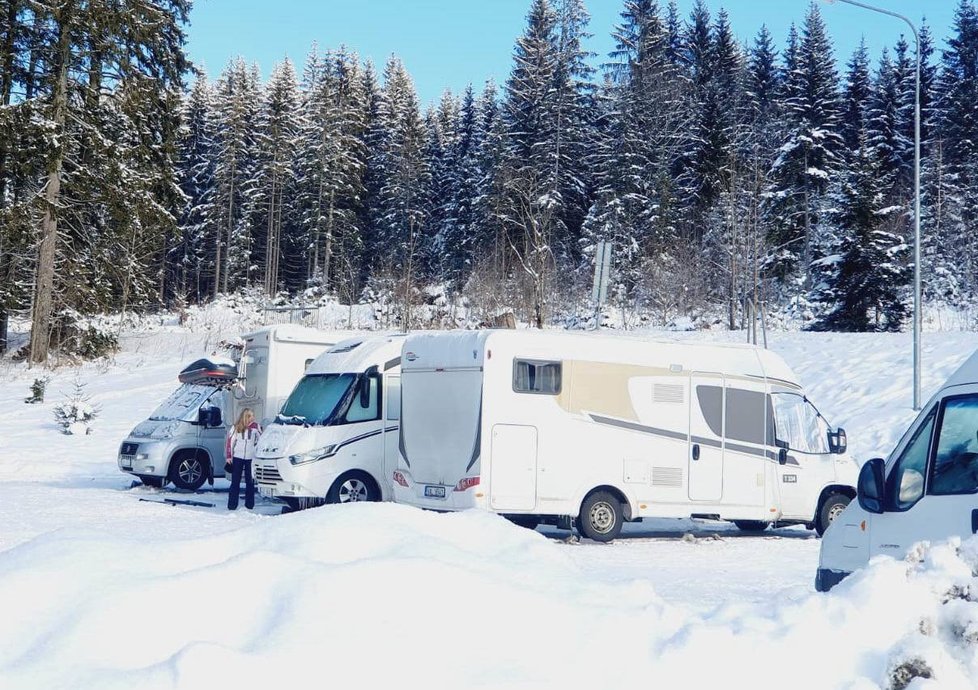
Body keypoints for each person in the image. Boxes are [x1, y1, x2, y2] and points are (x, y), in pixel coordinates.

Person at [227, 408, 261, 510]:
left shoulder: (256, 427)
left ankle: (249, 505)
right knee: (235, 481)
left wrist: (258, 453)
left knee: (250, 481)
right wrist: (229, 456)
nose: (253, 418)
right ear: (246, 417)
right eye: (251, 416)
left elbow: (261, 440)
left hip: (250, 458)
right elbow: (230, 442)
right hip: (238, 457)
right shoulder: (236, 427)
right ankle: (232, 505)